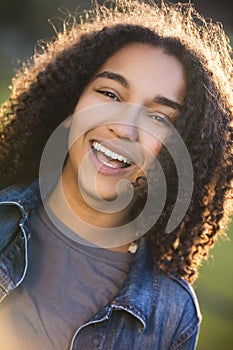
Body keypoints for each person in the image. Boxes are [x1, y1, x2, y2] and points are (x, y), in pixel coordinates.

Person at [0, 0, 232, 349]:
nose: (125, 128)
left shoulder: (172, 315)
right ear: (71, 100)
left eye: (159, 118)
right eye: (109, 94)